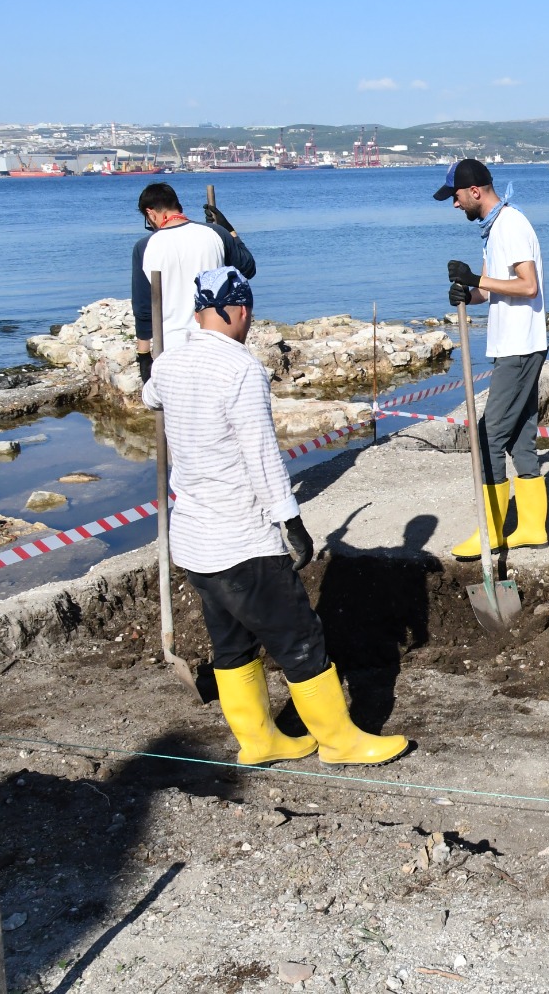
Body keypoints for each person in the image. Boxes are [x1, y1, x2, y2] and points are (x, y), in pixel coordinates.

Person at [143, 267, 408, 768]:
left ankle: (260, 739)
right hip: (240, 537)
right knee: (299, 639)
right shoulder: (241, 370)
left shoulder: (170, 363)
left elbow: (148, 397)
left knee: (231, 642)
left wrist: (155, 363)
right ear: (240, 311)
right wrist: (290, 520)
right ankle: (339, 741)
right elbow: (262, 455)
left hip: (194, 541)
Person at [438, 158, 549, 559]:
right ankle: (533, 527)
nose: (453, 205)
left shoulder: (511, 225)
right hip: (512, 345)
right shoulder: (493, 228)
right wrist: (468, 294)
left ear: (474, 191)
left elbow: (527, 284)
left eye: (454, 197)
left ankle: (492, 533)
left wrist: (477, 279)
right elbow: (491, 290)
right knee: (521, 435)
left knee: (487, 437)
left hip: (520, 347)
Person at [131, 182, 255, 381]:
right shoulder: (215, 234)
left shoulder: (145, 247)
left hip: (171, 347)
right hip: (218, 342)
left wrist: (144, 357)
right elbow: (248, 268)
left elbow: (144, 308)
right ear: (178, 207)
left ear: (151, 213)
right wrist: (229, 230)